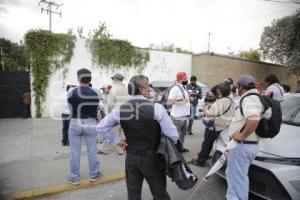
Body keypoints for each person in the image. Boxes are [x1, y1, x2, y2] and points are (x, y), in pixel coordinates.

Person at [96, 75, 179, 200]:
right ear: (141, 89)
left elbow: (101, 127)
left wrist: (118, 141)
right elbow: (173, 136)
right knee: (159, 193)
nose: (150, 89)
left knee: (133, 194)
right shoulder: (157, 108)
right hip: (153, 158)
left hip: (131, 158)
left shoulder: (120, 109)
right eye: (148, 86)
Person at [226, 75, 262, 200]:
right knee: (235, 176)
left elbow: (253, 119)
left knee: (237, 180)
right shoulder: (256, 97)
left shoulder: (248, 99)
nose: (236, 88)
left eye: (237, 86)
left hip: (242, 146)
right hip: (248, 145)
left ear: (241, 86)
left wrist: (242, 135)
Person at [67, 68, 101, 185]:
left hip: (75, 121)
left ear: (78, 78)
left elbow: (70, 108)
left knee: (75, 151)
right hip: (90, 122)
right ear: (90, 79)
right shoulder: (96, 92)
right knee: (92, 150)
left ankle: (74, 177)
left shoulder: (71, 92)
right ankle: (94, 174)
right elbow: (97, 106)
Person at [193, 83, 234, 167]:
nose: (217, 92)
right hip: (224, 126)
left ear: (220, 91)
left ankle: (200, 161)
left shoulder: (220, 102)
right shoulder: (230, 100)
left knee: (207, 143)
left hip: (214, 127)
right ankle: (206, 155)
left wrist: (206, 107)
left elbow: (208, 114)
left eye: (218, 91)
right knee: (213, 143)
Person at [98, 73, 130, 155]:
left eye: (113, 79)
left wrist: (109, 113)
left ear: (116, 79)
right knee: (122, 132)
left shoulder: (114, 89)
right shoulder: (127, 89)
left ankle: (105, 149)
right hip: (127, 112)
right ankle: (121, 150)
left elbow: (110, 104)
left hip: (116, 111)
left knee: (112, 131)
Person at [167, 71, 190, 153]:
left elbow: (185, 100)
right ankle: (175, 151)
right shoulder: (175, 88)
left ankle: (180, 148)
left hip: (184, 116)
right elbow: (169, 102)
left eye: (186, 78)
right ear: (179, 79)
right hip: (177, 117)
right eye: (185, 78)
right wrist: (181, 102)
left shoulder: (183, 87)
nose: (187, 80)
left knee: (183, 135)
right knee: (177, 135)